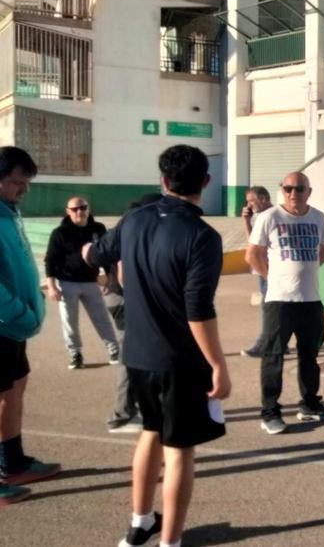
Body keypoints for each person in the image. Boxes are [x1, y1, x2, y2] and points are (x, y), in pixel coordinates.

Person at [82, 145, 229, 547]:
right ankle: (169, 541)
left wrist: (91, 252)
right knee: (179, 450)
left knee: (149, 433)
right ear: (205, 182)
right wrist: (218, 364)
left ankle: (139, 523)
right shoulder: (202, 236)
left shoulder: (135, 219)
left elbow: (94, 253)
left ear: (163, 181)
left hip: (138, 355)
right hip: (179, 360)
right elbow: (197, 309)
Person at [246, 172, 324, 435]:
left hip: (310, 300)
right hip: (279, 301)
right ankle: (270, 413)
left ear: (309, 191)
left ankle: (310, 405)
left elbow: (322, 253)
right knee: (273, 356)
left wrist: (301, 273)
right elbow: (251, 255)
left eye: (299, 189)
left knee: (310, 355)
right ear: (282, 191)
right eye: (288, 189)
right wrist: (271, 275)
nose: (293, 194)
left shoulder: (318, 217)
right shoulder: (269, 217)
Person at [0, 147, 59, 506]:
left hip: (14, 328)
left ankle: (13, 461)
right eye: (16, 182)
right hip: (4, 325)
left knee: (14, 392)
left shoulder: (9, 214)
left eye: (27, 183)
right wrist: (20, 313)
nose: (22, 189)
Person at [103, 193, 163, 435]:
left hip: (119, 297)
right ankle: (121, 415)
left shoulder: (126, 227)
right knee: (131, 355)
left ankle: (134, 407)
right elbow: (123, 273)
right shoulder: (133, 229)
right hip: (125, 300)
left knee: (138, 354)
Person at [44, 196, 120, 369]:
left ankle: (114, 350)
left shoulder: (98, 229)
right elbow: (50, 260)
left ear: (88, 208)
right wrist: (51, 285)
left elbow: (107, 254)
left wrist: (109, 277)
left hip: (90, 282)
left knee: (102, 318)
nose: (80, 211)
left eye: (83, 207)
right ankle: (75, 354)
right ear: (68, 211)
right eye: (75, 209)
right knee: (69, 321)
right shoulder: (59, 233)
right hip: (67, 283)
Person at [240, 186, 274, 358]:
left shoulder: (272, 216)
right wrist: (246, 221)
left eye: (251, 201)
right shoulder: (258, 217)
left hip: (271, 270)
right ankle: (278, 341)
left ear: (263, 199)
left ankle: (264, 344)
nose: (249, 205)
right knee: (272, 308)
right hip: (262, 269)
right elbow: (252, 243)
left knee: (269, 308)